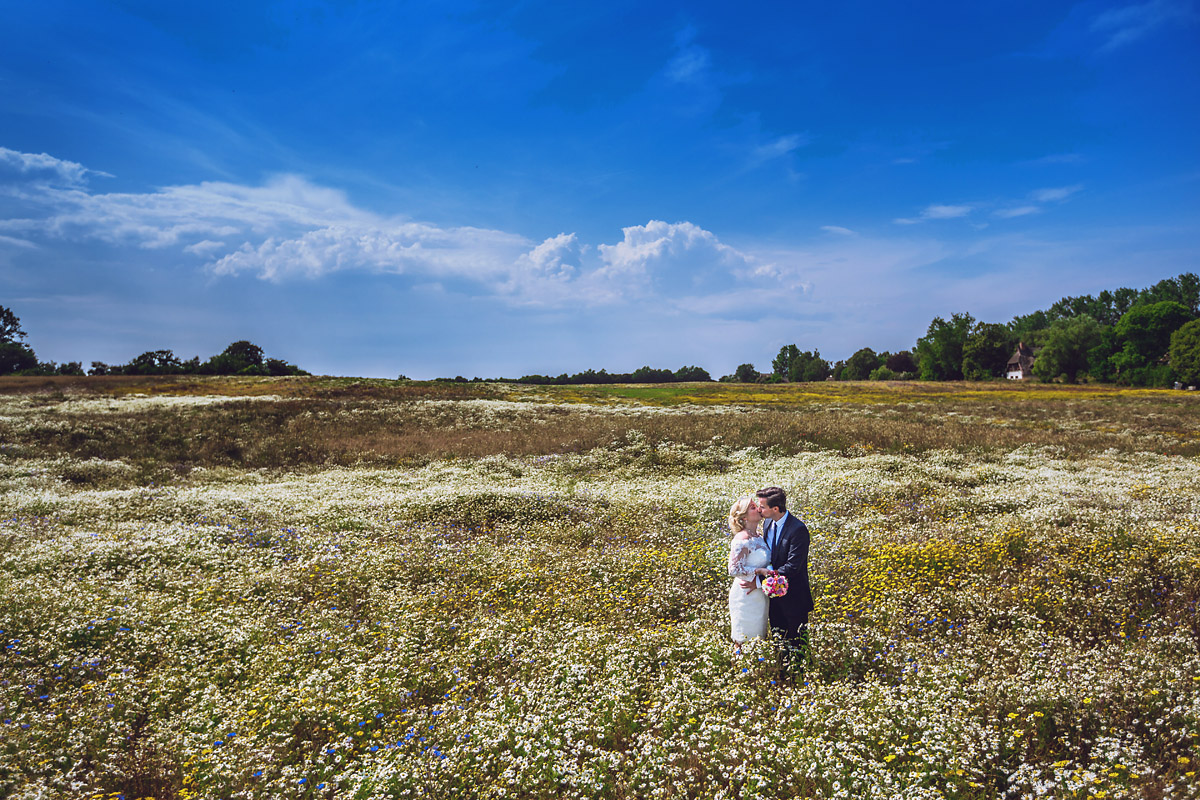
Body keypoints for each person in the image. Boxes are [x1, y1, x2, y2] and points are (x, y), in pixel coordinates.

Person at [754, 486, 813, 669]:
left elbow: (793, 566)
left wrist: (768, 574)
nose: (758, 509)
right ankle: (783, 672)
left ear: (776, 509)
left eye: (762, 507)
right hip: (774, 596)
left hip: (794, 596)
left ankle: (802, 675)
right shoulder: (767, 524)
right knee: (778, 637)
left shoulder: (798, 529)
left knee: (798, 641)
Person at [726, 496, 772, 650]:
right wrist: (758, 571)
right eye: (753, 507)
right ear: (744, 517)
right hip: (745, 595)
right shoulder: (741, 539)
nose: (758, 509)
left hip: (759, 593)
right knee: (743, 638)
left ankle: (756, 669)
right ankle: (738, 670)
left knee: (759, 637)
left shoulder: (759, 536)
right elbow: (733, 569)